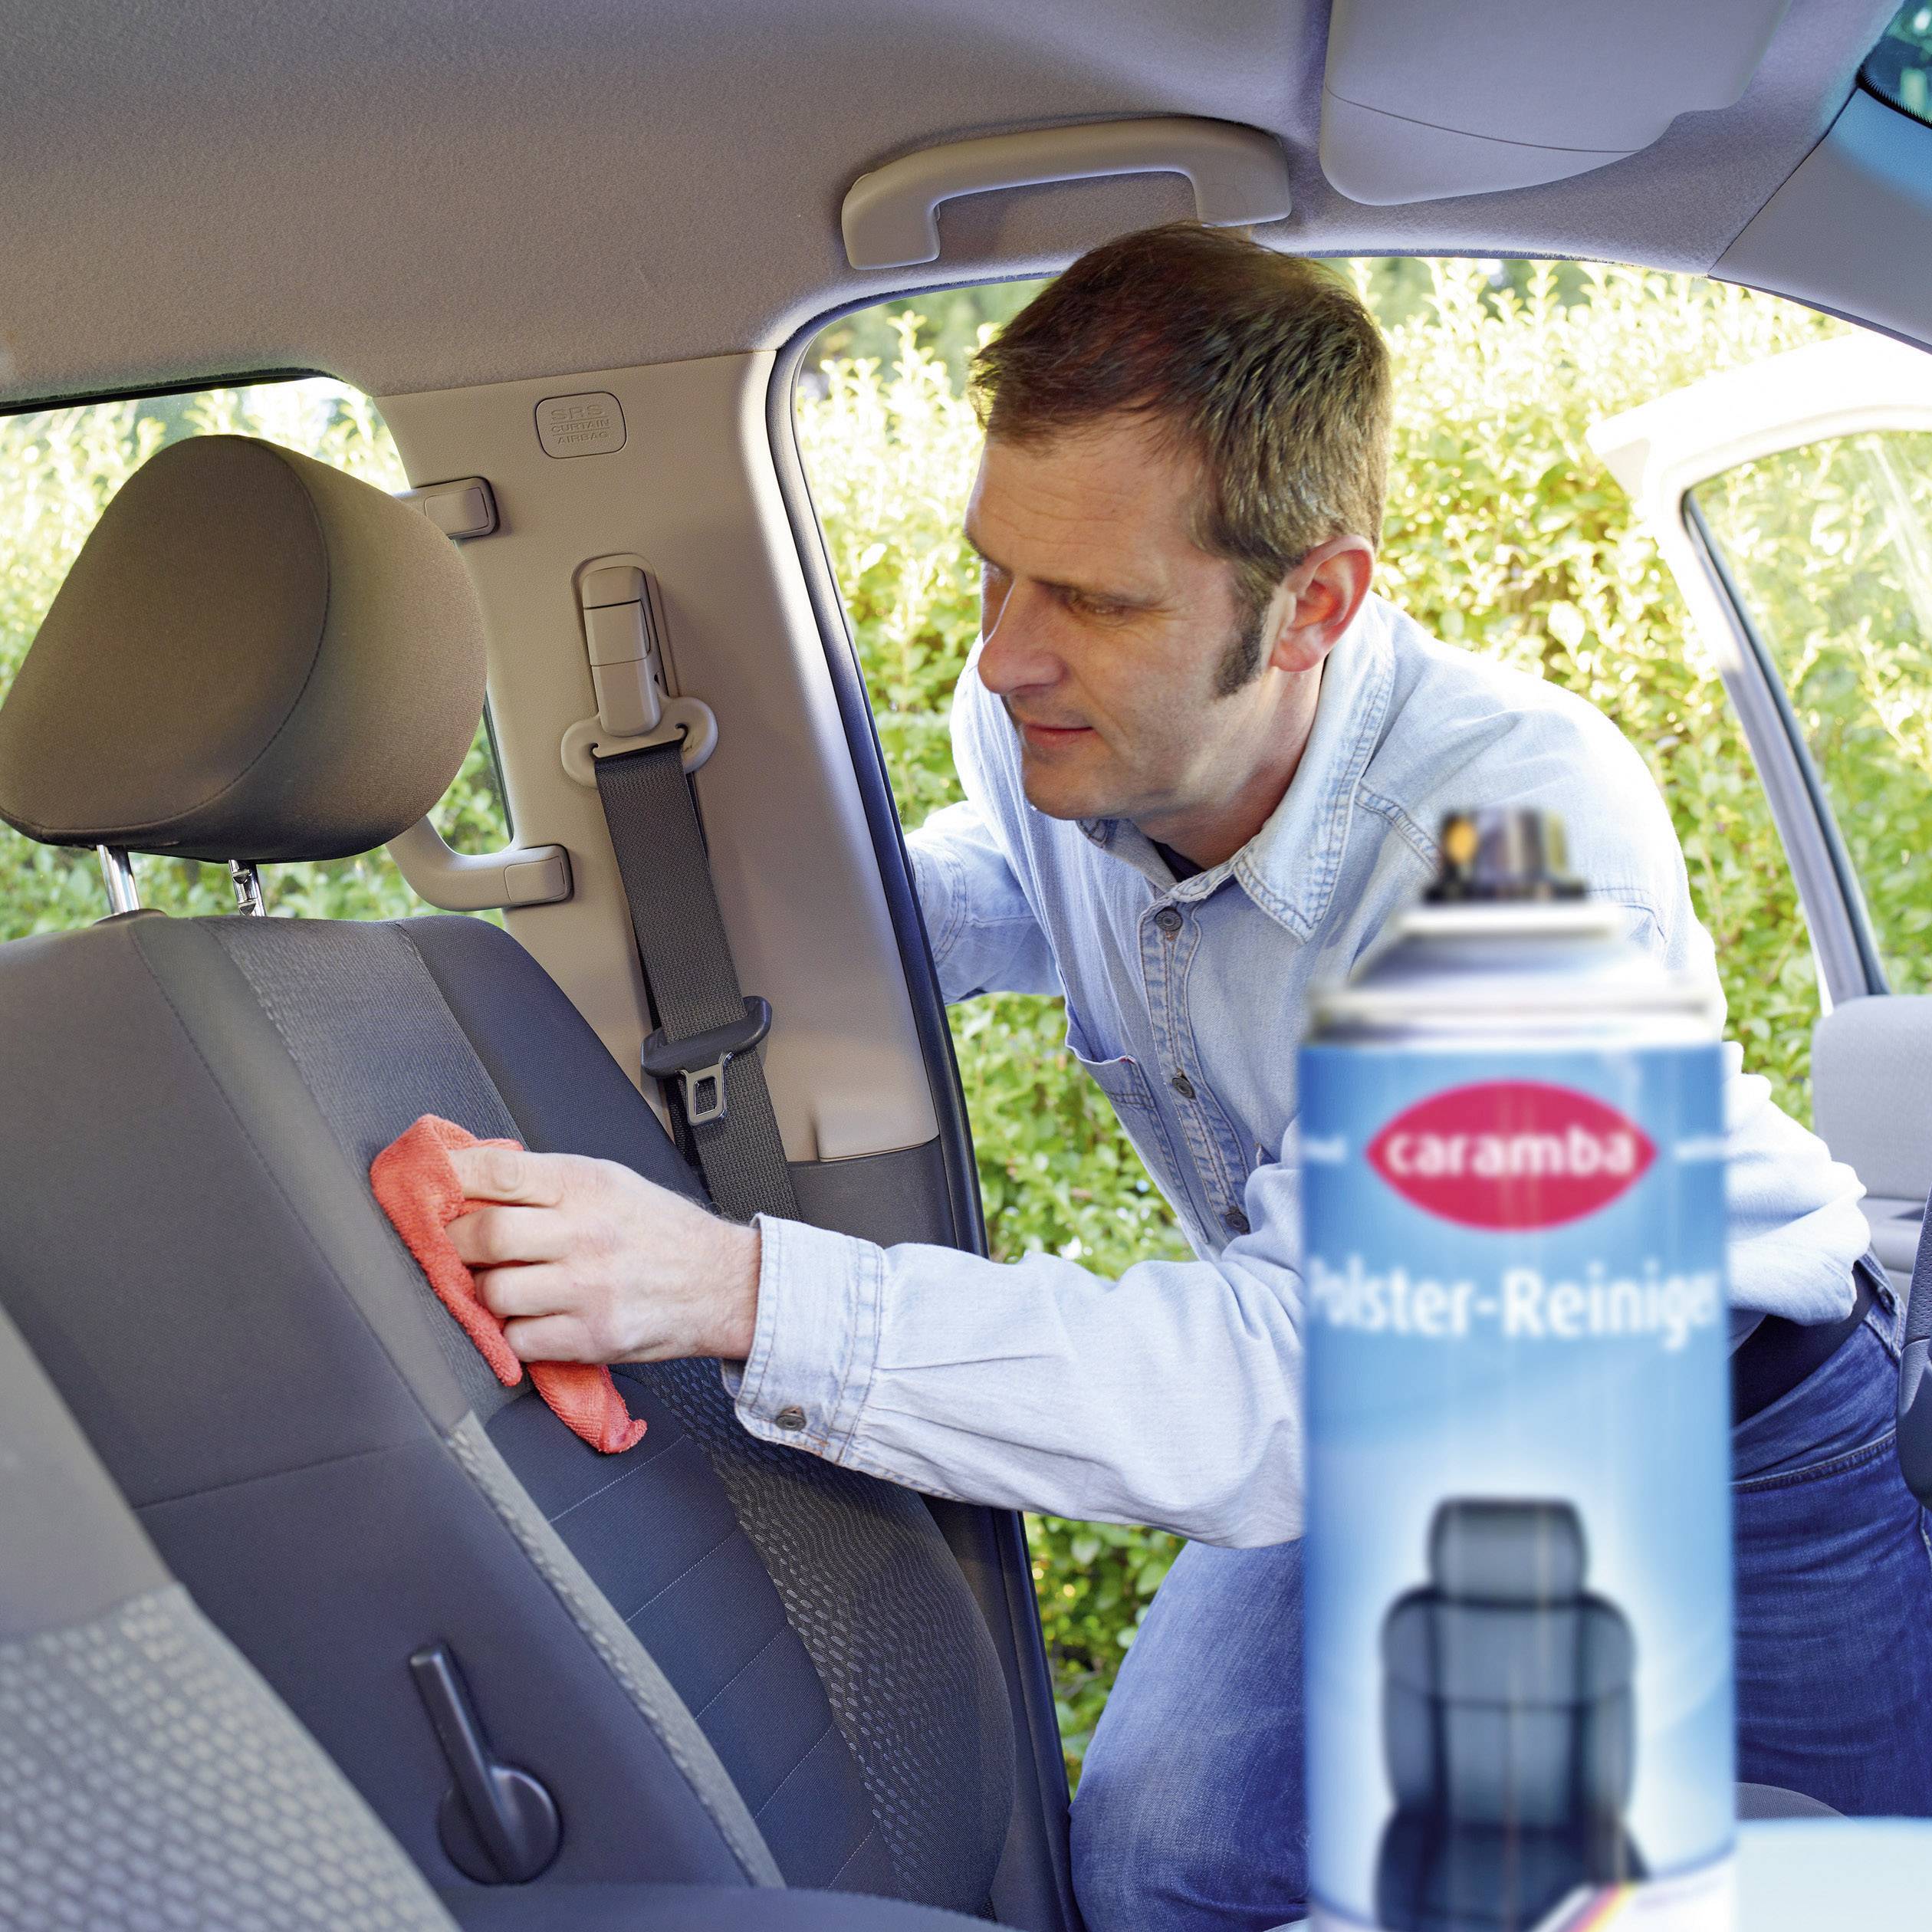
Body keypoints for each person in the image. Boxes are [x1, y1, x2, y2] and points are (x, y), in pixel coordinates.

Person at [441, 225, 1932, 1929]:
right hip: (1362, 1415)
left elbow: (1302, 1389)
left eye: (1095, 599)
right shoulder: (1044, 724)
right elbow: (1026, 896)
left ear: (1316, 604)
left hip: (1727, 1442)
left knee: (1823, 1875)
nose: (1004, 655)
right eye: (998, 569)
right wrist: (728, 937)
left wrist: (736, 1291)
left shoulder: (1518, 843)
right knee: (1160, 1862)